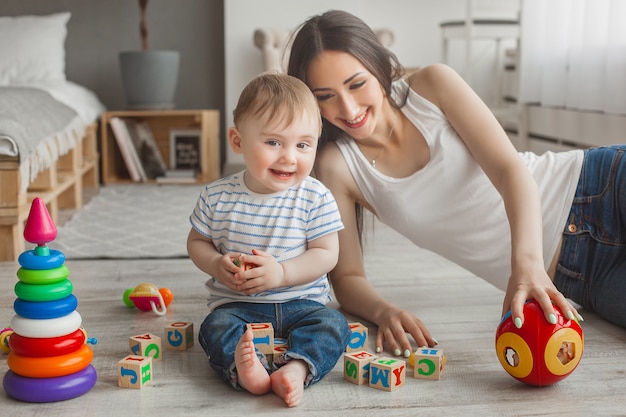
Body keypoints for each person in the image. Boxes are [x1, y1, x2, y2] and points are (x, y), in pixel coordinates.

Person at [287, 9, 626, 358]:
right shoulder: (337, 165)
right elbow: (347, 278)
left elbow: (510, 169)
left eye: (356, 84)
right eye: (325, 96)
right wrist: (384, 311)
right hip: (580, 276)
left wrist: (526, 264)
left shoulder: (432, 86)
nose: (348, 106)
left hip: (599, 185)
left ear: (378, 65)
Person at [187, 73, 350, 407]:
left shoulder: (315, 196)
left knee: (333, 325)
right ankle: (246, 369)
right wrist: (217, 264)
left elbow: (326, 253)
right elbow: (196, 243)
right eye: (274, 142)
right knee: (214, 328)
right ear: (237, 141)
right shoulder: (217, 196)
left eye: (303, 144)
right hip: (237, 307)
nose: (290, 157)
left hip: (303, 303)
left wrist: (283, 274)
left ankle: (297, 367)